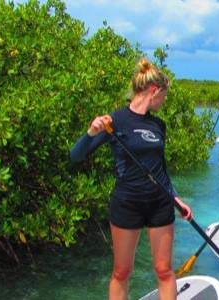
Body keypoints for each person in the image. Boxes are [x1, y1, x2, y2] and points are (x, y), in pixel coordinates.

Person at [69, 57, 193, 300]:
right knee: (122, 271)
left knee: (164, 270)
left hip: (160, 203)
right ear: (154, 91)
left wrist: (176, 198)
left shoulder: (159, 125)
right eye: (164, 95)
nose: (164, 101)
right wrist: (91, 132)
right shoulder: (114, 121)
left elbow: (160, 169)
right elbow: (75, 156)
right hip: (127, 203)